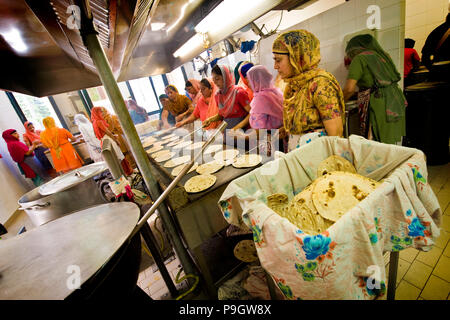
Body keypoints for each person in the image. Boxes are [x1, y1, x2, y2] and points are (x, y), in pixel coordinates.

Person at [272, 29, 345, 152]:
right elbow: (305, 122)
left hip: (320, 159)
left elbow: (335, 135)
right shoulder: (293, 85)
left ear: (296, 58)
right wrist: (288, 130)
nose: (275, 66)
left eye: (278, 60)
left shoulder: (320, 84)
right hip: (301, 158)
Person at [343, 34, 407, 145]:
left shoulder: (359, 58)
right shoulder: (383, 56)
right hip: (395, 100)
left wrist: (339, 103)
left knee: (377, 142)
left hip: (379, 102)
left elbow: (349, 89)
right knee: (389, 142)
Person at [203, 65, 251, 131]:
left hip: (242, 131)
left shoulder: (238, 92)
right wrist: (210, 119)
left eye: (217, 79)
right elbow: (221, 115)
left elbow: (251, 113)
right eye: (213, 80)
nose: (215, 82)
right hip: (228, 131)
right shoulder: (218, 95)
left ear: (226, 77)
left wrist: (237, 127)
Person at [91, 107, 134, 176]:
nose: (102, 113)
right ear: (97, 113)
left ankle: (123, 173)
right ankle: (128, 172)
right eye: (100, 112)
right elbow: (108, 132)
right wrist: (116, 140)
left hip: (104, 141)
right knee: (120, 156)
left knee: (116, 158)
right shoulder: (99, 121)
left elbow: (97, 135)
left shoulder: (94, 122)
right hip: (109, 140)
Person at [246, 65, 284, 130]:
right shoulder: (276, 92)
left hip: (269, 137)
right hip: (281, 133)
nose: (249, 84)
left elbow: (259, 128)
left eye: (250, 81)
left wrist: (240, 136)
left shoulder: (260, 99)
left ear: (256, 81)